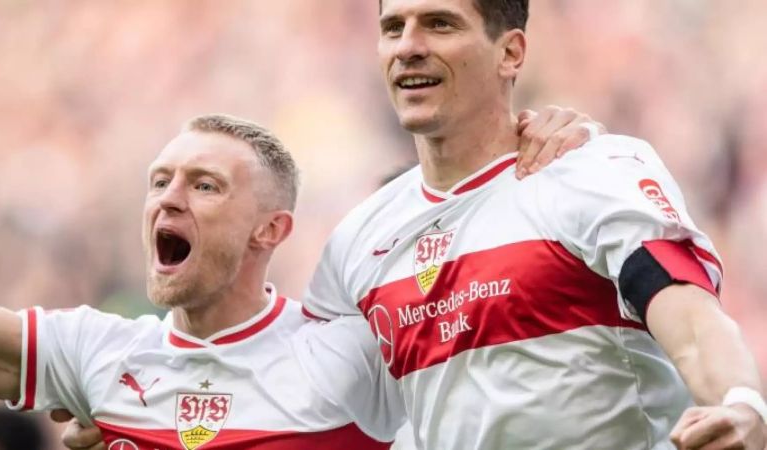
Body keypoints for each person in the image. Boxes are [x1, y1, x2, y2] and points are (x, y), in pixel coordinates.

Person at [0, 81, 599, 449]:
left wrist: (546, 144)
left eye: (204, 186)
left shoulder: (346, 355)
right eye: (159, 181)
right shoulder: (99, 354)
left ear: (269, 230)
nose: (167, 200)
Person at [297, 1, 767, 449]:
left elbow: (691, 316)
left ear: (510, 52)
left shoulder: (591, 173)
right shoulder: (356, 240)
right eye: (393, 28)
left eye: (440, 24)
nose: (408, 46)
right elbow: (309, 401)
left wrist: (739, 401)